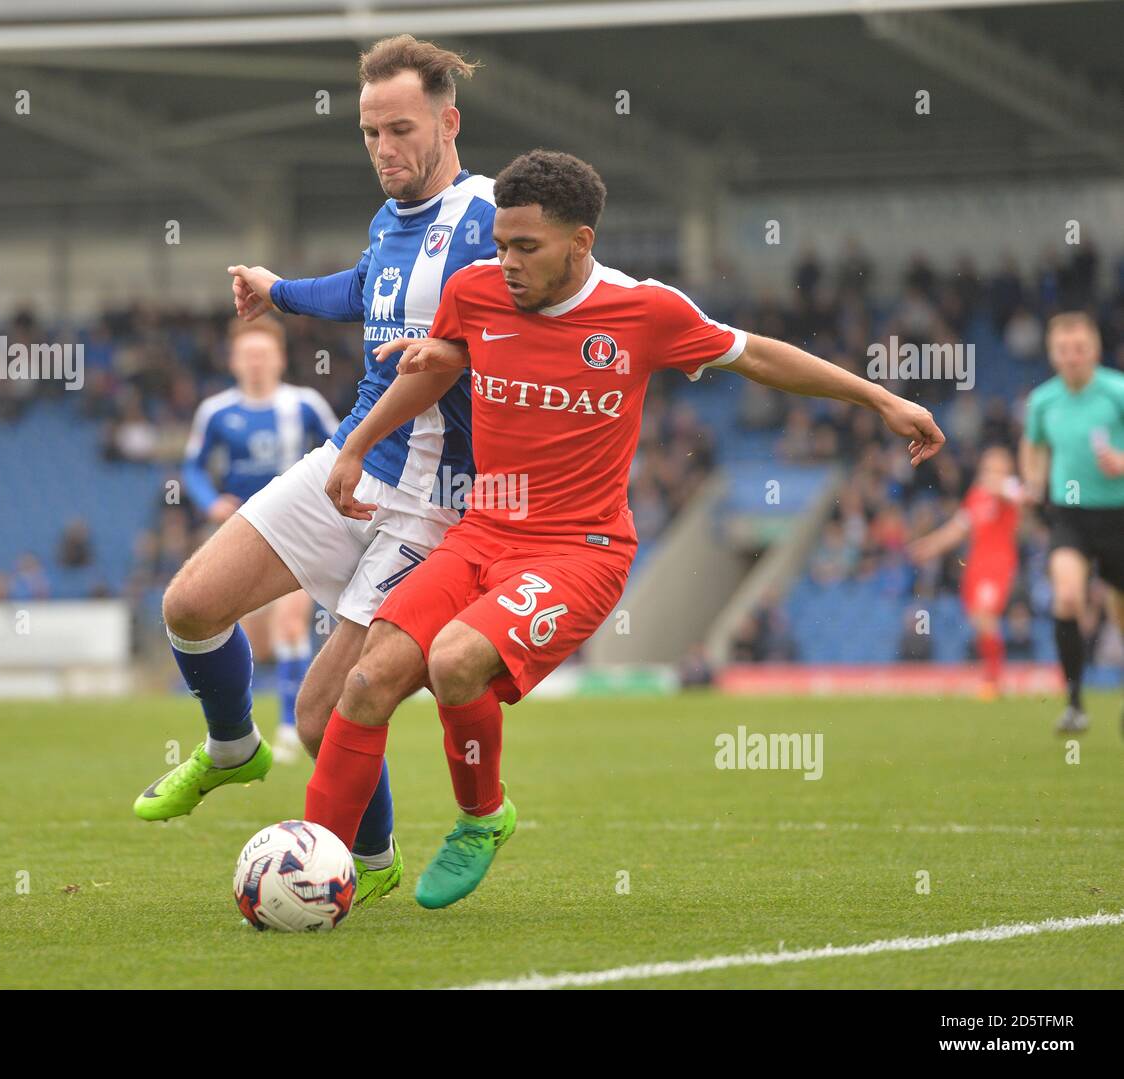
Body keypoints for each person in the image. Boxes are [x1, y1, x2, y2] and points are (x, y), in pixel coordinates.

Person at [311, 149, 945, 909]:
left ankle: (482, 817)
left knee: (453, 661)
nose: (506, 261)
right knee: (365, 681)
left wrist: (880, 400)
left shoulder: (646, 311)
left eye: (526, 247)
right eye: (501, 244)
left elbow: (761, 357)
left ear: (580, 243)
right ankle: (315, 868)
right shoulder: (473, 289)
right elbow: (446, 359)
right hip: (480, 533)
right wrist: (358, 441)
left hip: (581, 550)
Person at [133, 34, 497, 909]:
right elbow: (366, 286)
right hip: (350, 462)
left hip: (430, 502)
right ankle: (231, 748)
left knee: (321, 713)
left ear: (449, 122)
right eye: (370, 133)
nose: (383, 150)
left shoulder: (490, 216)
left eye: (401, 130)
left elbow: (498, 334)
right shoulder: (390, 220)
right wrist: (280, 289)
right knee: (188, 604)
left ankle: (368, 864)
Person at [181, 317, 337, 763]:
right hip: (239, 530)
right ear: (233, 361)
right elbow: (192, 466)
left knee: (290, 623)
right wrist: (210, 501)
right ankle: (239, 732)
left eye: (263, 354)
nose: (255, 362)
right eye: (247, 355)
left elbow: (342, 446)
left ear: (280, 359)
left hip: (295, 527)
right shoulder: (214, 411)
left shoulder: (304, 404)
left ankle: (290, 727)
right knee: (248, 639)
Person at [1019, 312, 1124, 734]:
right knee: (1066, 598)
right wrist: (1032, 481)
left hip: (1118, 514)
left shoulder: (1116, 391)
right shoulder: (1043, 400)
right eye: (1063, 349)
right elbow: (1034, 445)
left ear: (1094, 350)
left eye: (1079, 348)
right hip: (1070, 515)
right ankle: (1075, 703)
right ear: (1052, 353)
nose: (1072, 356)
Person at [908, 446, 1021, 698]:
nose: (990, 473)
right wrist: (929, 547)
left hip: (998, 565)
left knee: (985, 616)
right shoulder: (977, 496)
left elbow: (1022, 496)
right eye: (987, 467)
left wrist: (997, 482)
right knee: (979, 620)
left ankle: (993, 680)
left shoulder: (1010, 490)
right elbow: (956, 530)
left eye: (996, 468)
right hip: (976, 565)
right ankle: (991, 679)